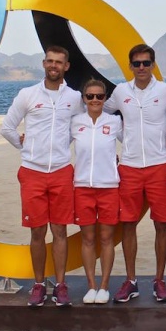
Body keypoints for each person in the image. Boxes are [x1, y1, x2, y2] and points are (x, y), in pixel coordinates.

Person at [0, 46, 83, 307]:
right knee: (37, 232)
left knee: (60, 230)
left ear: (66, 66)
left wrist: (61, 146)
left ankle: (60, 285)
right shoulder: (27, 94)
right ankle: (38, 284)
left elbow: (78, 129)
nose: (54, 66)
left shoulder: (74, 97)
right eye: (50, 61)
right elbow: (7, 127)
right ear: (43, 63)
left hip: (60, 171)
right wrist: (25, 146)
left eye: (59, 62)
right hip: (32, 171)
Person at [103, 44, 166, 303]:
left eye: (147, 63)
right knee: (128, 224)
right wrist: (110, 142)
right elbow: (101, 113)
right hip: (130, 167)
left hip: (159, 166)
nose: (142, 68)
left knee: (161, 224)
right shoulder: (121, 91)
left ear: (154, 64)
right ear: (130, 66)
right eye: (137, 64)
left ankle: (159, 280)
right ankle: (131, 280)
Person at [71, 79, 122, 305]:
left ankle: (104, 286)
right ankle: (91, 286)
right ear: (84, 99)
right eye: (90, 96)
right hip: (82, 187)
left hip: (109, 187)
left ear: (105, 98)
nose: (94, 100)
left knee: (106, 238)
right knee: (88, 238)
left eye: (99, 96)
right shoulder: (75, 122)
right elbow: (57, 143)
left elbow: (133, 143)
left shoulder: (115, 122)